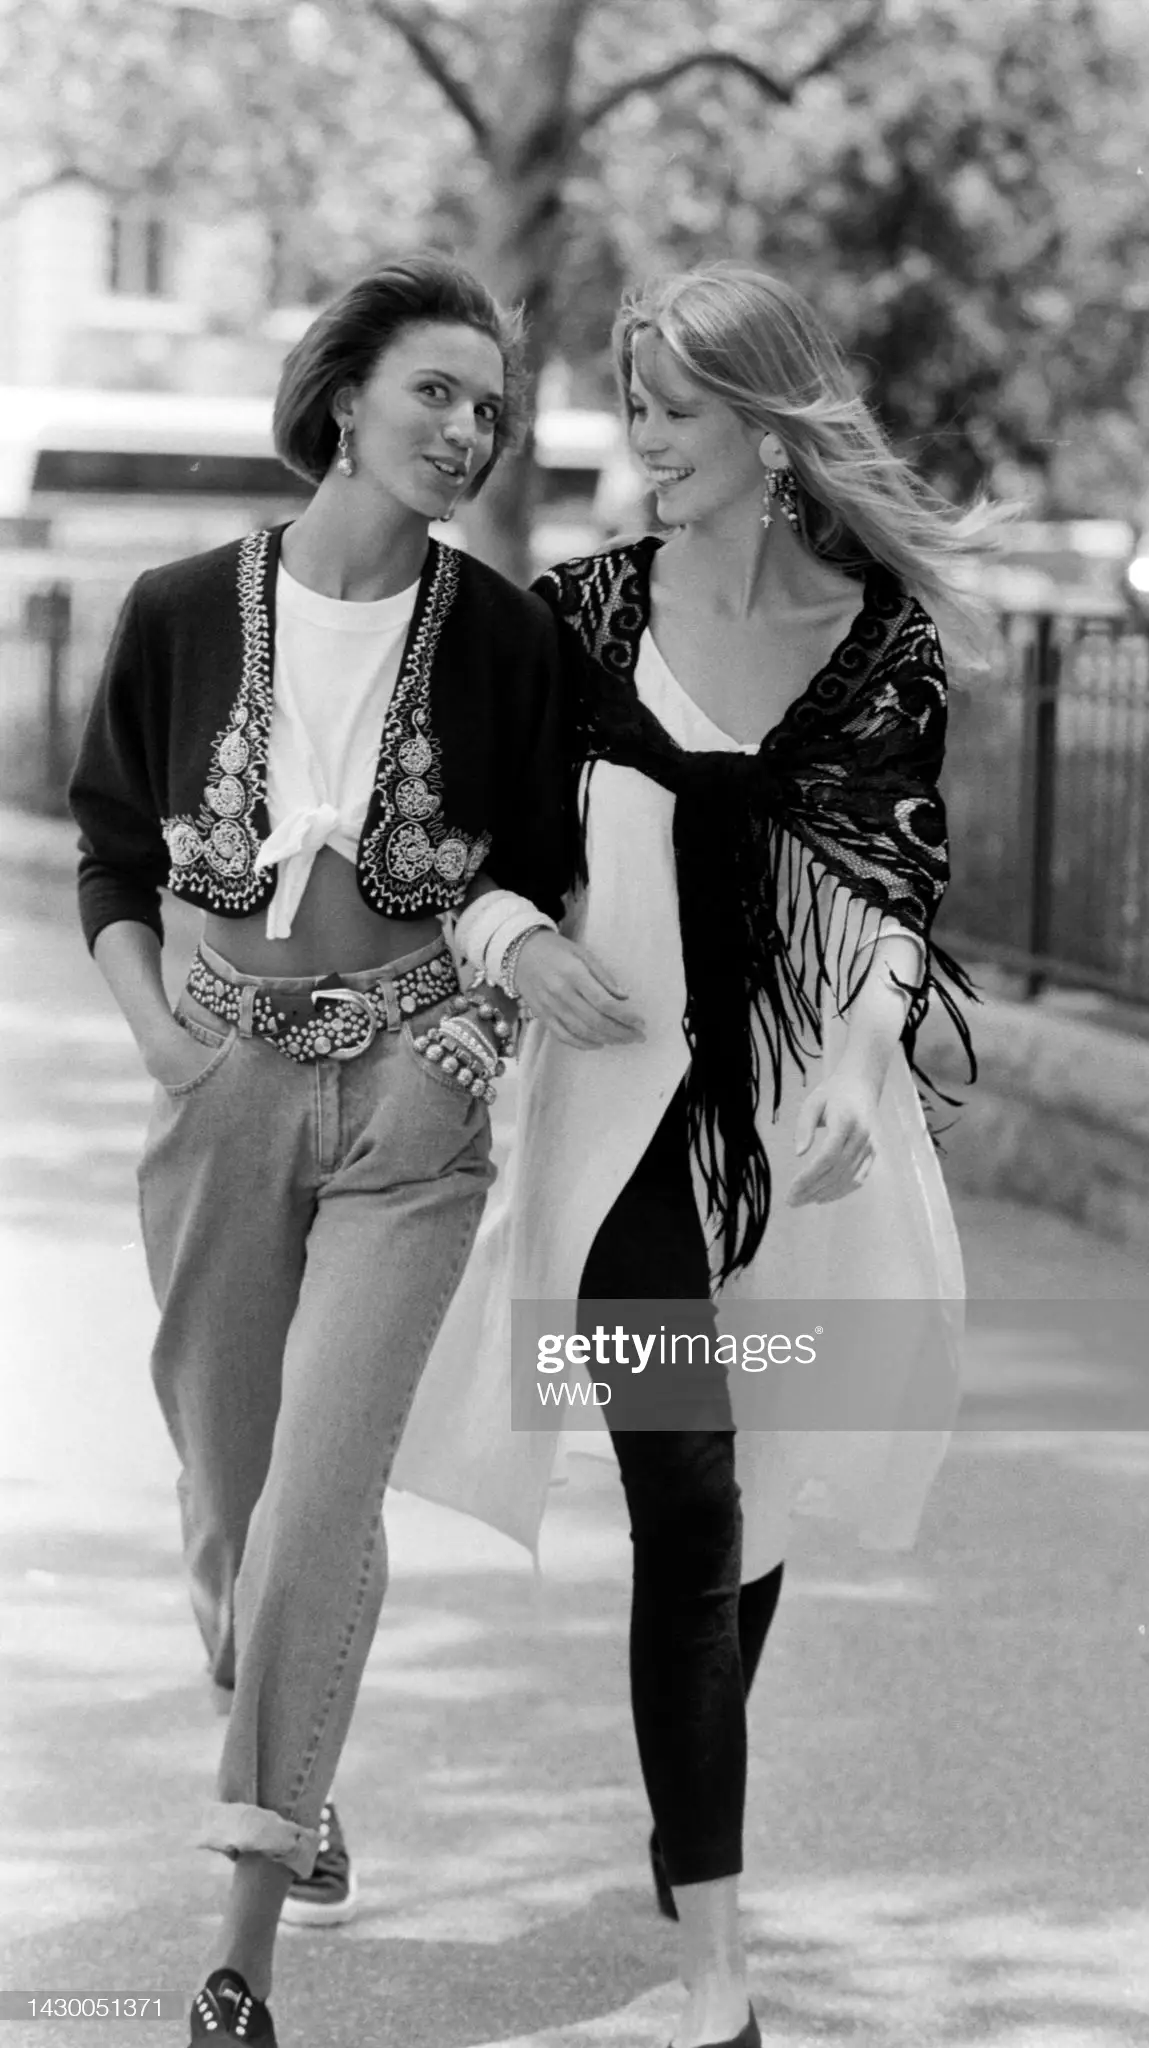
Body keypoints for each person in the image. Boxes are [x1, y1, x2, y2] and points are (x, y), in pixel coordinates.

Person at [393, 262, 994, 2048]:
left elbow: (892, 896)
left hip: (811, 1149)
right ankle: (716, 1980)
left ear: (764, 422)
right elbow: (471, 857)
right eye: (634, 407)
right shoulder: (574, 620)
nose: (639, 440)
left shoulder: (879, 639)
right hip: (616, 1147)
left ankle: (691, 1825)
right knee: (688, 1500)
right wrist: (518, 942)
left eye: (668, 410)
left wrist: (864, 1060)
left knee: (762, 1490)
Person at [66, 251, 633, 2048]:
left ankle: (239, 1945)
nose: (467, 430)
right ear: (341, 401)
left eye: (489, 407)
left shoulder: (509, 642)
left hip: (411, 1098)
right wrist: (159, 1033)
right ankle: (294, 1755)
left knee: (316, 1503)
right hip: (222, 1080)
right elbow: (108, 849)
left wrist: (482, 1029)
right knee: (230, 1504)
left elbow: (535, 871)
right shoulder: (173, 610)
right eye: (433, 393)